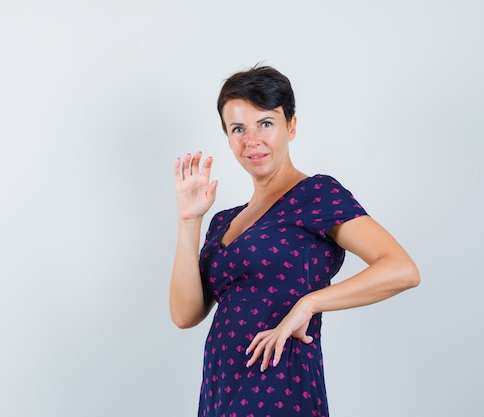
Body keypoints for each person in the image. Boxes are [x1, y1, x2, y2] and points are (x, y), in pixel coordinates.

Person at [170, 65, 420, 417]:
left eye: (266, 123)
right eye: (238, 128)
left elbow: (401, 270)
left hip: (280, 387)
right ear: (227, 137)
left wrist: (309, 304)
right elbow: (184, 315)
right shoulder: (222, 220)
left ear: (292, 126)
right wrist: (189, 220)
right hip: (221, 389)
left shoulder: (317, 194)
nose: (251, 140)